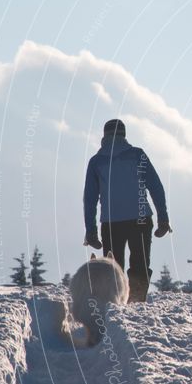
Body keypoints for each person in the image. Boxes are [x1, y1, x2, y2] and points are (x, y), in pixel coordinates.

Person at [82, 119, 172, 302]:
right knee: (140, 264)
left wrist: (90, 231)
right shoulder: (137, 155)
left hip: (111, 222)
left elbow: (90, 200)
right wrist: (163, 218)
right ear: (124, 135)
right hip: (140, 219)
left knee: (114, 267)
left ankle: (115, 303)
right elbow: (156, 187)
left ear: (104, 136)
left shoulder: (96, 162)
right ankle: (136, 303)